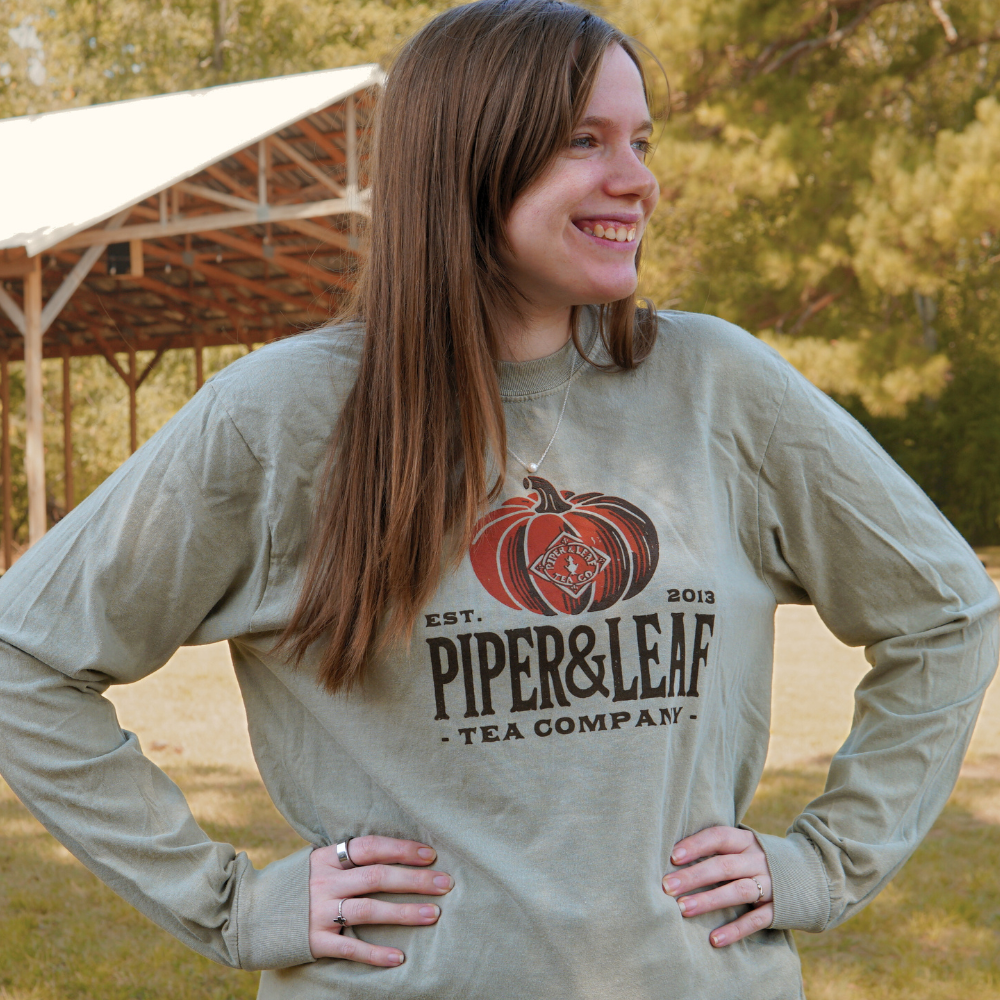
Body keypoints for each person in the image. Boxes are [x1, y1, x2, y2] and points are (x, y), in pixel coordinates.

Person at [0, 1, 997, 997]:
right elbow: (24, 657)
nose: (638, 179)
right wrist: (229, 903)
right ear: (468, 160)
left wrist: (826, 862)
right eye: (585, 141)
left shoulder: (719, 387)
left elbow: (946, 613)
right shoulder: (282, 416)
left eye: (641, 141)